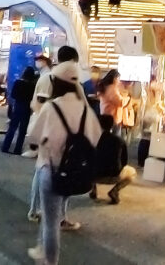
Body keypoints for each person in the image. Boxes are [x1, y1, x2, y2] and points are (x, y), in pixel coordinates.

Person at [25, 61, 102, 264]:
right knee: (54, 213)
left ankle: (50, 260)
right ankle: (42, 249)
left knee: (51, 222)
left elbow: (33, 137)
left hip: (51, 169)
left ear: (57, 83)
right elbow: (95, 138)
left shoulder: (52, 107)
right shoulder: (86, 110)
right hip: (76, 171)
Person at [90, 113, 137, 204]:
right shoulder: (119, 140)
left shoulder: (93, 139)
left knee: (91, 164)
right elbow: (124, 161)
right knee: (132, 172)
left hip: (94, 175)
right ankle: (115, 191)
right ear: (112, 125)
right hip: (114, 175)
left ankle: (93, 190)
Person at [1, 66, 37, 155]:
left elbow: (13, 95)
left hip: (17, 106)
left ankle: (5, 147)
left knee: (12, 127)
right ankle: (18, 149)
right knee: (22, 130)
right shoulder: (33, 85)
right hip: (27, 107)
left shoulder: (18, 82)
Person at [98, 69, 130, 135]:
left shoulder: (105, 86)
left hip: (105, 115)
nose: (119, 81)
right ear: (115, 78)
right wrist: (128, 98)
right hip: (112, 119)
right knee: (114, 139)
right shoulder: (112, 89)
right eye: (118, 79)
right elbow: (120, 102)